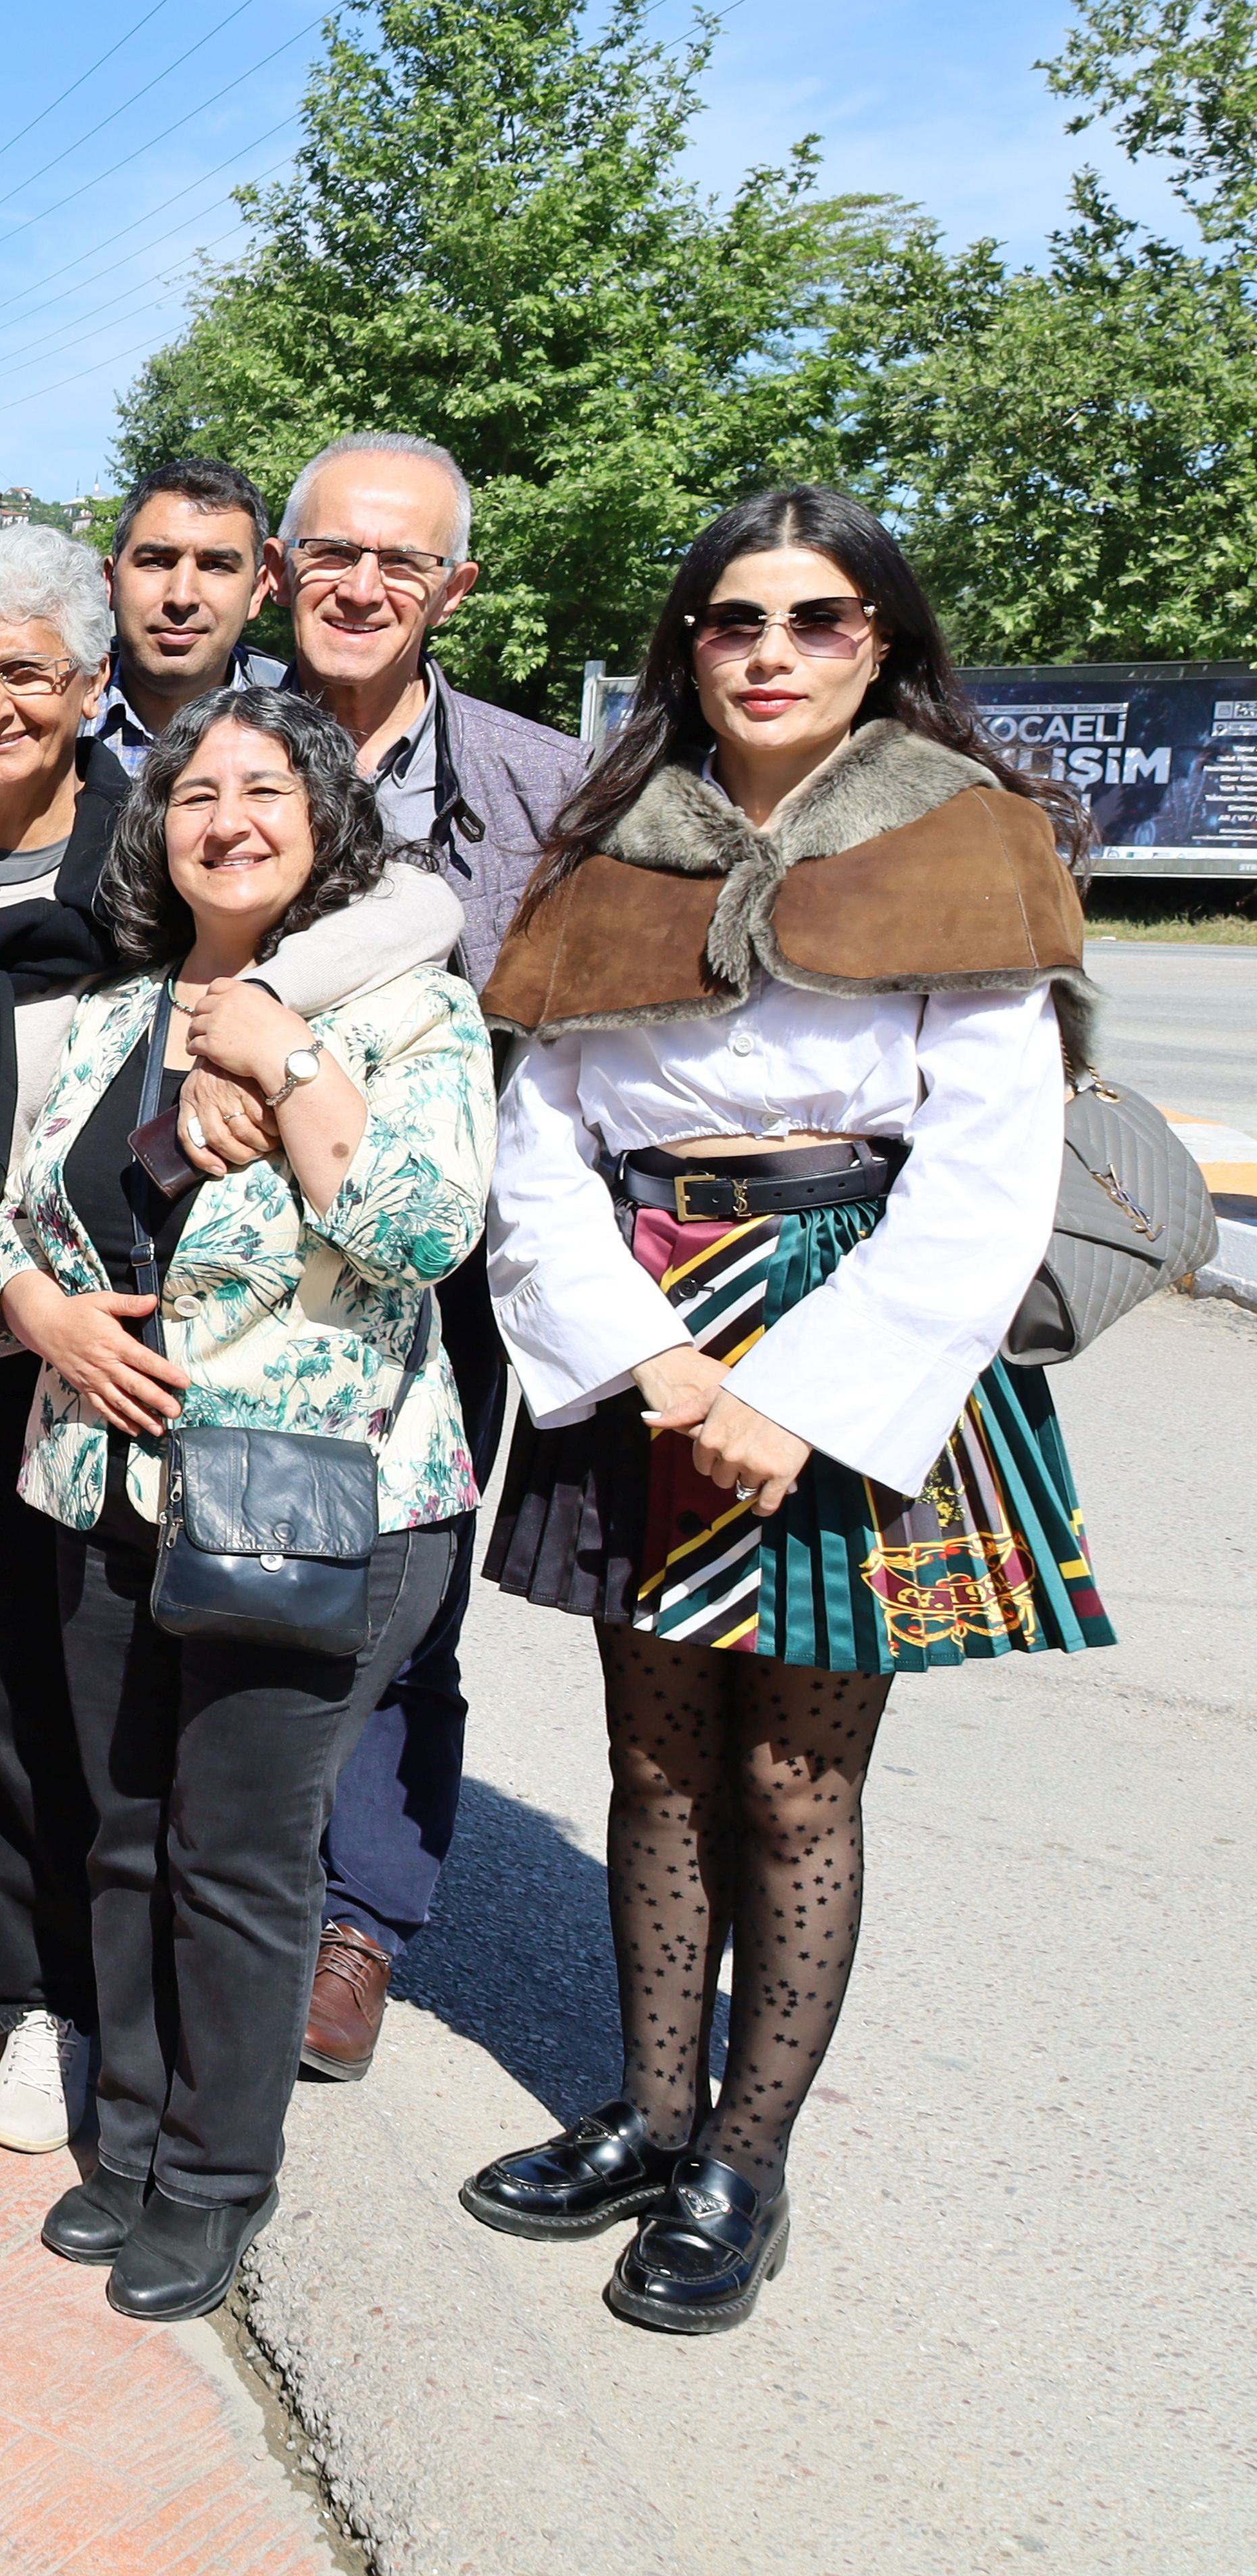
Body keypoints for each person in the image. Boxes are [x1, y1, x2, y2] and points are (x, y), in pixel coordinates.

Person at [463, 485, 1100, 2336]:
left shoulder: (965, 839)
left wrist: (809, 1395)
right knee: (654, 1765)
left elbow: (990, 1162)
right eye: (734, 622)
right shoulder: (618, 843)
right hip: (643, 1335)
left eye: (817, 621)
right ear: (689, 645)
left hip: (850, 1318)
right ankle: (654, 2120)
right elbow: (542, 1136)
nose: (769, 654)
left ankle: (748, 2158)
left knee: (791, 1783)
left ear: (878, 642)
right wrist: (639, 1352)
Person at [0, 529, 461, 2163]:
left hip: (158, 1380)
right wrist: (23, 1281)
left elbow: (392, 911)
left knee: (62, 1709)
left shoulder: (157, 831)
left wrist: (257, 1042)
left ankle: (60, 2007)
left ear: (91, 682)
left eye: (27, 669)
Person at [0, 681, 493, 2321]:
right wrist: (43, 1316)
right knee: (125, 1835)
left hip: (311, 1498)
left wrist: (286, 1066)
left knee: (240, 1855)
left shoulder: (405, 1008)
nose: (228, 818)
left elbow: (422, 1236)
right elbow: (19, 1226)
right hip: (103, 1481)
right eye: (196, 792)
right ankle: (128, 2134)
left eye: (267, 789)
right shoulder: (116, 1003)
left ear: (324, 821)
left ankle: (215, 2177)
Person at [236, 430, 586, 2080]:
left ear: (453, 588)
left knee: (400, 1589)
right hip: (220, 1246)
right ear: (276, 568)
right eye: (331, 555)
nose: (361, 587)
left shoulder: (536, 784)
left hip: (437, 1251)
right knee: (202, 1566)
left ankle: (358, 1912)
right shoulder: (189, 739)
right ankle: (206, 1877)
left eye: (401, 563)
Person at [88, 456, 286, 769]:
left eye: (216, 566)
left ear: (258, 591)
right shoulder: (46, 719)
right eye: (156, 561)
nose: (181, 597)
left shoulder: (306, 719)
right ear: (111, 582)